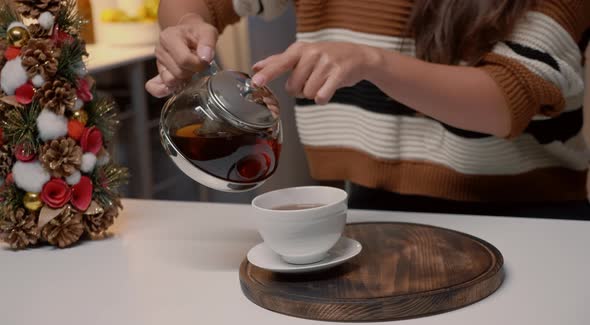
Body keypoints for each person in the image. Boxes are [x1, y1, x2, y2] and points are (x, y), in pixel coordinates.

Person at [146, 0, 590, 220]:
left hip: (531, 216)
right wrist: (186, 26)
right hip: (371, 210)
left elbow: (507, 99)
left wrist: (374, 63)